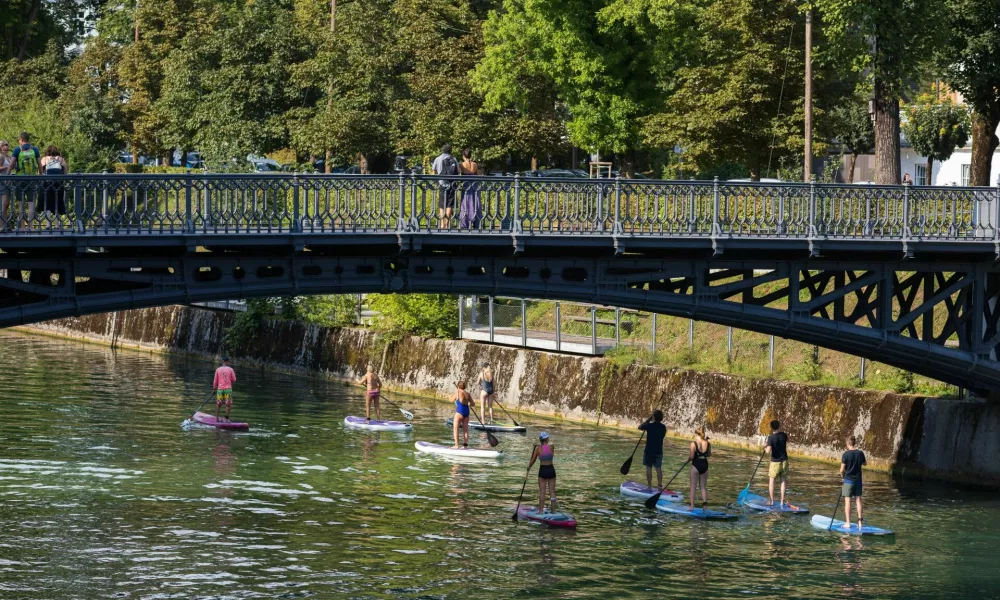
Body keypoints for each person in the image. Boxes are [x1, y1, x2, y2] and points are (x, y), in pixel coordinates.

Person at [11, 132, 40, 229]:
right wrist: (42, 175)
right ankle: (31, 227)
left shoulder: (17, 150)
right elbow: (39, 164)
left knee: (21, 203)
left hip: (20, 179)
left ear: (22, 139)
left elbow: (12, 164)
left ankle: (22, 227)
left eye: (19, 140)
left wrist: (7, 175)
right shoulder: (35, 149)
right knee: (31, 203)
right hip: (32, 179)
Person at [527, 431, 558, 513]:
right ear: (547, 439)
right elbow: (545, 447)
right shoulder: (552, 447)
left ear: (540, 440)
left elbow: (532, 461)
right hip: (551, 470)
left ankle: (540, 511)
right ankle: (553, 510)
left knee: (542, 492)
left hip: (543, 470)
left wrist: (528, 467)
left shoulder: (537, 449)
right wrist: (537, 445)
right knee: (552, 491)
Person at [840, 435, 867, 530]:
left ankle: (848, 523)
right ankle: (860, 522)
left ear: (848, 444)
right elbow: (865, 463)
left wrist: (842, 478)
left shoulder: (845, 454)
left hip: (848, 481)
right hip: (858, 481)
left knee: (848, 501)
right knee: (858, 500)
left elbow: (841, 470)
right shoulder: (860, 453)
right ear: (854, 443)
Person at [432, 144, 460, 229]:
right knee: (449, 204)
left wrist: (436, 181)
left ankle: (441, 224)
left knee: (441, 204)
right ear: (450, 151)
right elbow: (458, 171)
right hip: (451, 184)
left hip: (442, 184)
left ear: (442, 150)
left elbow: (433, 171)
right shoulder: (453, 159)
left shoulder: (438, 159)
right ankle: (447, 224)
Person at [638, 410, 667, 489]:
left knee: (648, 468)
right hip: (659, 451)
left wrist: (648, 420)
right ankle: (659, 485)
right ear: (661, 418)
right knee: (658, 468)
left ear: (653, 417)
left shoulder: (649, 426)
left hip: (649, 451)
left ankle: (649, 486)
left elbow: (639, 427)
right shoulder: (663, 427)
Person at [765, 419, 790, 506]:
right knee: (783, 480)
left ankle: (771, 501)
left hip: (775, 462)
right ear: (779, 426)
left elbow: (768, 451)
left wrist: (764, 446)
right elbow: (787, 441)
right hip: (784, 461)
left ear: (771, 428)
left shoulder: (771, 437)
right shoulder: (784, 435)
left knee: (772, 481)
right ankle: (782, 501)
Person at [40, 145, 68, 218]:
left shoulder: (45, 159)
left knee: (48, 203)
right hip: (58, 183)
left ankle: (48, 224)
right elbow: (65, 170)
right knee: (58, 202)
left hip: (47, 183)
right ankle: (57, 224)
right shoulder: (61, 159)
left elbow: (40, 171)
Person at [458, 148, 481, 228]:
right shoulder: (475, 164)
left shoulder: (461, 164)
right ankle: (476, 222)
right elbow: (478, 174)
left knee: (465, 203)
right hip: (474, 185)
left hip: (466, 185)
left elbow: (458, 173)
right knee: (475, 202)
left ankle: (465, 223)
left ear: (463, 156)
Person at [689, 426, 711, 510]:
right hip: (705, 465)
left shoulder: (693, 444)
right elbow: (708, 454)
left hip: (696, 465)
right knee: (703, 487)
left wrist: (687, 460)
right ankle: (705, 507)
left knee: (693, 486)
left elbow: (691, 457)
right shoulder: (708, 443)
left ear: (696, 434)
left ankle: (691, 506)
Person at [213, 356, 237, 422]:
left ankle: (217, 419)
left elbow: (215, 381)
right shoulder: (231, 369)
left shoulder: (218, 370)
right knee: (228, 405)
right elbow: (234, 379)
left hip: (220, 389)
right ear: (227, 362)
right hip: (228, 389)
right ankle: (226, 419)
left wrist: (214, 389)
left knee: (218, 404)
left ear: (222, 362)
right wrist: (229, 380)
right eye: (228, 361)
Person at [452, 380, 475, 448]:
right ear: (464, 386)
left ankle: (456, 445)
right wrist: (469, 403)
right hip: (466, 413)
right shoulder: (467, 394)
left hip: (459, 412)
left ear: (458, 386)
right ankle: (465, 445)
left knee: (456, 429)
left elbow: (450, 399)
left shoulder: (458, 392)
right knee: (465, 430)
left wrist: (453, 396)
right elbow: (473, 404)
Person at [0, 140, 13, 230]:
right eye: (5, 145)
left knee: (6, 204)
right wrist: (8, 167)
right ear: (1, 147)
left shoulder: (8, 156)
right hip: (2, 182)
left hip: (8, 182)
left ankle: (4, 225)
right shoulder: (1, 156)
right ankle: (1, 226)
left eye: (7, 145)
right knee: (3, 204)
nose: (7, 146)